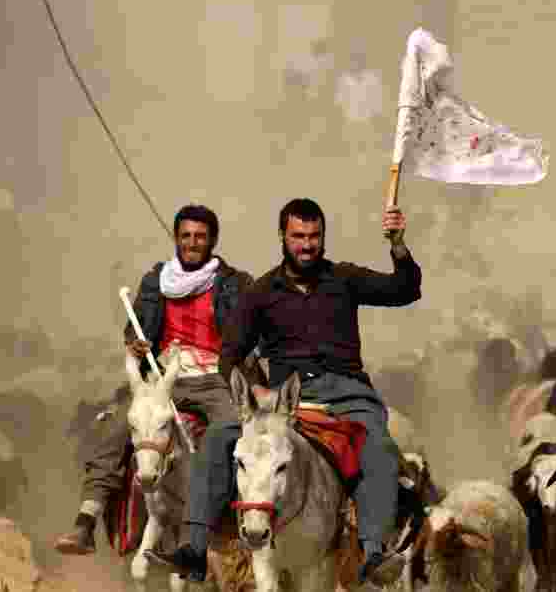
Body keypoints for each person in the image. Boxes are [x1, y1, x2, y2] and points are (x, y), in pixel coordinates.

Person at [149, 198, 421, 583]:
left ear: (323, 237)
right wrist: (257, 390)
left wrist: (397, 244)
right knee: (216, 439)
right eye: (298, 236)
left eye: (314, 236)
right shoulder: (261, 292)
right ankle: (194, 547)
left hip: (348, 397)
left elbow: (404, 289)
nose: (306, 245)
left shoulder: (344, 278)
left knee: (378, 446)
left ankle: (374, 553)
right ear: (283, 236)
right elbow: (229, 356)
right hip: (282, 403)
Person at [53, 204, 253, 555]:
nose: (192, 243)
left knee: (233, 434)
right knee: (116, 425)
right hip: (163, 378)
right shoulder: (156, 281)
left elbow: (249, 331)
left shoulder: (235, 283)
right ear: (176, 239)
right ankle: (86, 521)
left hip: (214, 378)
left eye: (200, 237)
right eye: (186, 236)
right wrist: (135, 340)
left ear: (213, 241)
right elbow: (136, 327)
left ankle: (227, 521)